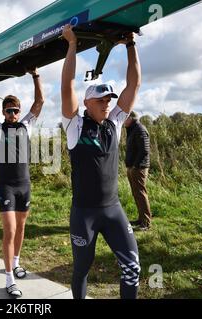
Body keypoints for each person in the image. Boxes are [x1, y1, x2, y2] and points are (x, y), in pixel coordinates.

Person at [61, 24, 141, 299]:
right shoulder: (74, 126)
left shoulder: (115, 123)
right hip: (84, 214)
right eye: (101, 100)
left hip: (113, 210)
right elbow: (67, 85)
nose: (107, 104)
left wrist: (131, 45)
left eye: (109, 99)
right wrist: (71, 45)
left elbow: (134, 84)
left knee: (132, 267)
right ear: (87, 103)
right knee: (82, 269)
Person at [0, 66, 44, 298]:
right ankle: (9, 279)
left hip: (24, 185)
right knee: (10, 230)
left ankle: (15, 262)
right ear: (3, 112)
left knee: (21, 228)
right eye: (8, 111)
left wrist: (35, 75)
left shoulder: (26, 125)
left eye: (15, 111)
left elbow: (40, 101)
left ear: (19, 111)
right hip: (6, 187)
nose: (12, 115)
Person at [124, 111, 151, 231]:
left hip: (139, 167)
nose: (123, 121)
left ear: (131, 118)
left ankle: (146, 223)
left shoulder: (139, 129)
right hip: (133, 167)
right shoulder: (132, 129)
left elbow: (144, 150)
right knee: (136, 193)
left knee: (141, 193)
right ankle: (141, 219)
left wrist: (135, 166)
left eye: (125, 118)